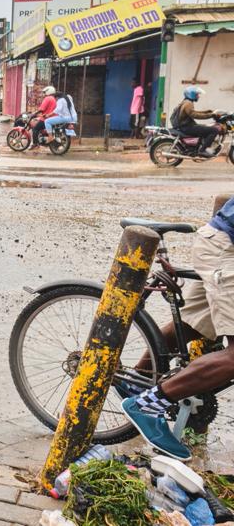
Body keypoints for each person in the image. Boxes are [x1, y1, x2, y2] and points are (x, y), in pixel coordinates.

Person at [123, 195, 234, 460]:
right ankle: (145, 405)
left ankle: (138, 382)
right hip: (225, 249)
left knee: (193, 325)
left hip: (223, 241)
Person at [170, 86, 222, 155]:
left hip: (186, 126)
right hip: (187, 127)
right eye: (197, 94)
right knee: (214, 130)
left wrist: (207, 112)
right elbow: (195, 115)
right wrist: (211, 115)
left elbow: (194, 112)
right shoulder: (188, 103)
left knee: (205, 128)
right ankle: (202, 150)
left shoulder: (186, 102)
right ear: (192, 94)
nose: (198, 96)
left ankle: (199, 146)